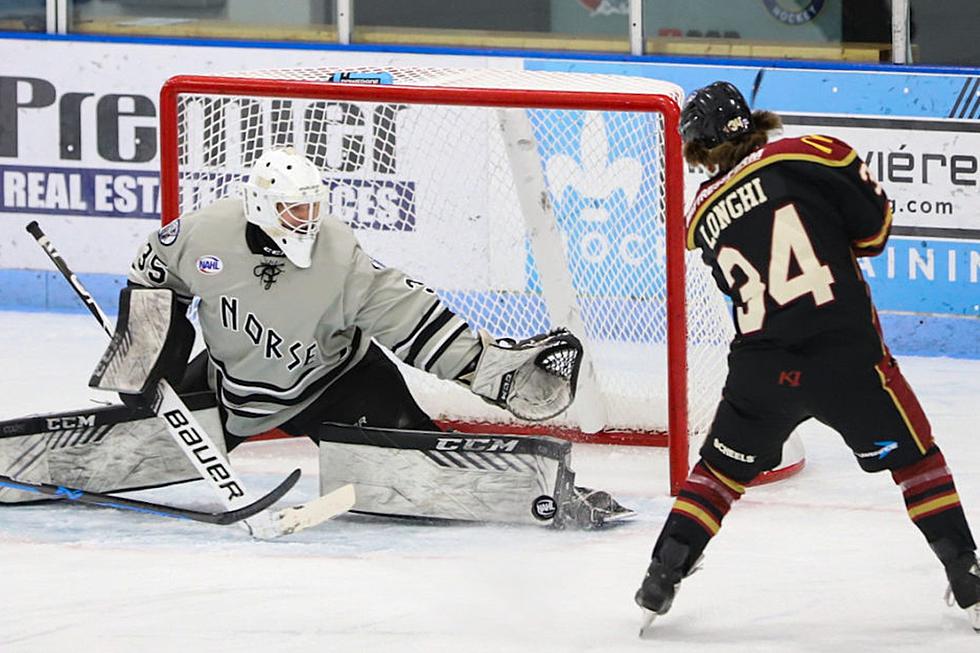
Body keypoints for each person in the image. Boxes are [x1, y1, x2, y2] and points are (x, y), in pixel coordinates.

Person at [83, 145, 631, 529]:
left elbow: (411, 318)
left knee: (424, 471)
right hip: (234, 386)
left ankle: (541, 492)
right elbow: (154, 273)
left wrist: (488, 370)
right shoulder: (203, 234)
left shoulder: (339, 257)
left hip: (339, 384)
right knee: (132, 441)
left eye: (314, 206)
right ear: (262, 207)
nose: (309, 219)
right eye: (296, 209)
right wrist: (144, 359)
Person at [634, 82, 979, 633]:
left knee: (718, 475)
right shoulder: (809, 153)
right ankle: (967, 574)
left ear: (701, 148)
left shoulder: (700, 213)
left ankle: (661, 574)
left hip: (761, 371)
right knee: (916, 462)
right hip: (846, 358)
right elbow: (874, 231)